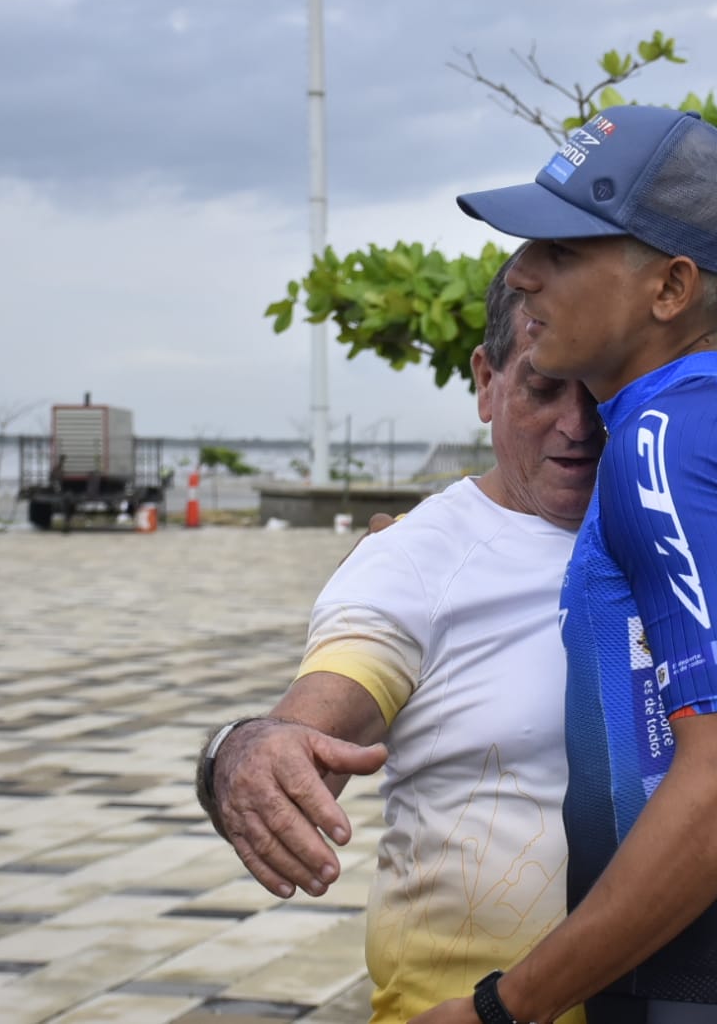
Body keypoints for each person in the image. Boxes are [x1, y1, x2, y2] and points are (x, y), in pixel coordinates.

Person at [416, 104, 717, 1024]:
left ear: (669, 288)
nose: (520, 272)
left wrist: (504, 1009)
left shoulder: (661, 443)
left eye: (564, 249)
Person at [194, 255, 603, 1023]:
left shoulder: (680, 535)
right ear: (487, 381)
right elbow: (326, 699)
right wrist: (246, 750)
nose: (577, 425)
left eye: (602, 389)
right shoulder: (414, 557)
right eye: (543, 388)